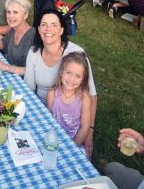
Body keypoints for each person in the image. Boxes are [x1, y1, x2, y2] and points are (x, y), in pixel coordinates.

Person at [24, 9, 97, 157]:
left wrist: (89, 133)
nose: (48, 29)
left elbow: (92, 95)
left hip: (72, 112)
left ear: (61, 29)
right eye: (44, 24)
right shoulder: (34, 52)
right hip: (47, 112)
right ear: (38, 29)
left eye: (53, 25)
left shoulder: (76, 55)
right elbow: (29, 89)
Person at [47, 52, 91, 149]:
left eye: (78, 76)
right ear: (61, 73)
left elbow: (85, 127)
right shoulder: (52, 94)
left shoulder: (85, 98)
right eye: (68, 73)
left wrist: (72, 148)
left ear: (83, 80)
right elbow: (48, 120)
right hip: (53, 139)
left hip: (75, 142)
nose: (72, 79)